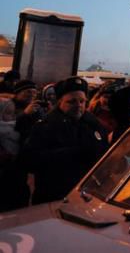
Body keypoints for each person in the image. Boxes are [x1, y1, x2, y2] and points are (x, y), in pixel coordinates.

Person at [22, 76, 108, 204]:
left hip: (87, 195)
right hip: (55, 196)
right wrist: (73, 152)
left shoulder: (93, 124)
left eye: (82, 101)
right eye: (72, 102)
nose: (78, 105)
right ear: (60, 102)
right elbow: (30, 161)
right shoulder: (46, 126)